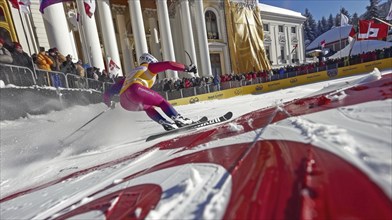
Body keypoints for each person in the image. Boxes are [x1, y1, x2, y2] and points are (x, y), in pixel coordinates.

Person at [103, 53, 197, 131]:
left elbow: (109, 92)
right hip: (136, 89)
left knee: (148, 107)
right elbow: (169, 64)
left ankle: (165, 123)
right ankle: (179, 119)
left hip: (124, 101)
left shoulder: (130, 74)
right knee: (161, 102)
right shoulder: (149, 67)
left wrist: (109, 103)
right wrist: (187, 68)